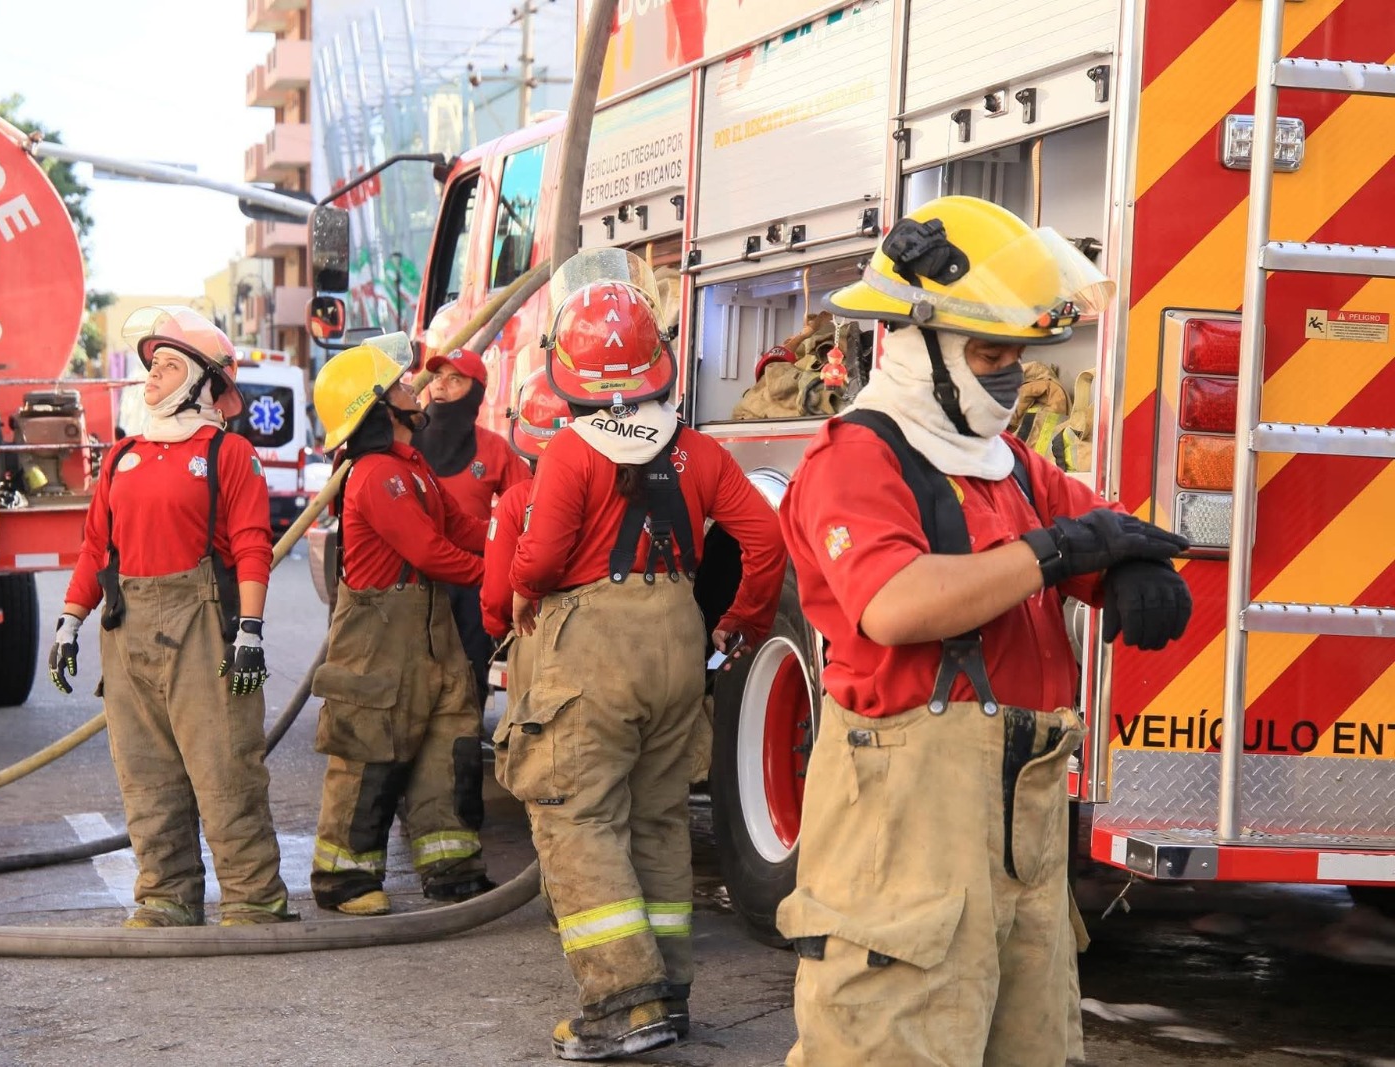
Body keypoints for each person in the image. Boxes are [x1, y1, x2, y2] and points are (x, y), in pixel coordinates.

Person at [777, 196, 1194, 1066]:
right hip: (905, 825)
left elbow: (1096, 528)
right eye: (990, 352)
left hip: (1019, 823)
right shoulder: (856, 459)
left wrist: (1130, 563)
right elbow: (895, 601)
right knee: (893, 1040)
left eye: (1017, 355)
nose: (1008, 374)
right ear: (917, 339)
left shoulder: (1006, 463)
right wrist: (1055, 552)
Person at [503, 250, 787, 1061]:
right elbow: (763, 534)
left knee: (578, 816)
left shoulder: (569, 452)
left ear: (570, 374)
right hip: (678, 636)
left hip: (593, 645)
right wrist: (740, 620)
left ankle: (623, 1005)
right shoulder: (697, 451)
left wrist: (522, 589)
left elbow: (541, 562)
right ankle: (669, 993)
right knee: (661, 817)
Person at [48, 305, 293, 929]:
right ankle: (166, 894)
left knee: (225, 767)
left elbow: (251, 546)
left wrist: (251, 633)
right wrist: (69, 624)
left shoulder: (228, 454)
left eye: (167, 365)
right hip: (126, 631)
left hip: (204, 629)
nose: (152, 377)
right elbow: (95, 550)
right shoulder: (122, 457)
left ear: (200, 379)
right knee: (146, 773)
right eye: (152, 365)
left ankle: (253, 896)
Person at [308, 333, 495, 917]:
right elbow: (430, 551)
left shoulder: (411, 468)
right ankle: (343, 879)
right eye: (397, 387)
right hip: (377, 639)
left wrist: (514, 547)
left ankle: (452, 870)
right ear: (376, 408)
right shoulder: (374, 476)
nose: (413, 390)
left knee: (450, 743)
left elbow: (461, 529)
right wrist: (496, 580)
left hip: (429, 631)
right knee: (371, 751)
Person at [413, 348, 531, 708]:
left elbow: (527, 509)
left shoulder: (495, 449)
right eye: (436, 377)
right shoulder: (405, 438)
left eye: (455, 379)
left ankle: (462, 748)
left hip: (471, 581)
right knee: (413, 679)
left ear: (476, 391)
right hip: (413, 577)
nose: (441, 386)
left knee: (465, 677)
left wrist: (498, 559)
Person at [481, 369, 569, 726]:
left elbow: (500, 595)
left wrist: (496, 625)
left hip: (538, 633)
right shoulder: (622, 492)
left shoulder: (518, 501)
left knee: (537, 760)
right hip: (628, 640)